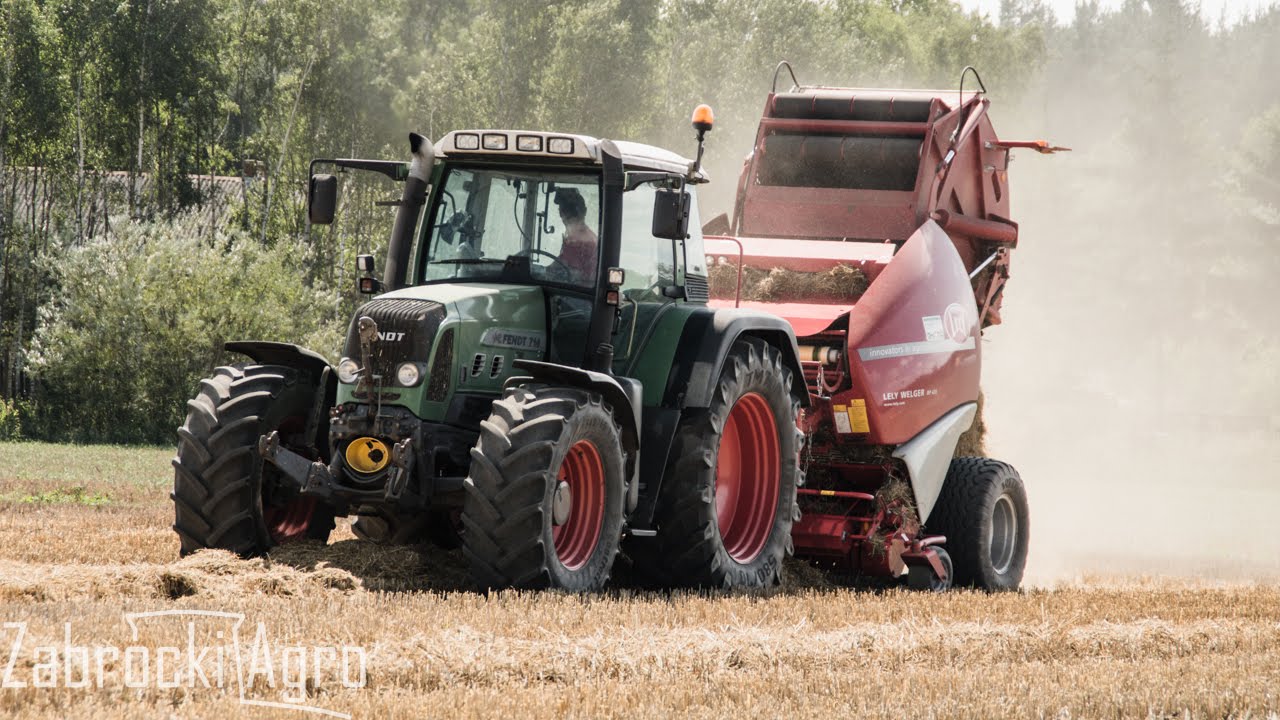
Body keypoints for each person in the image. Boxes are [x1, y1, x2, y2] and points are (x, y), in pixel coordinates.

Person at [553, 188, 597, 283]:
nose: (562, 215)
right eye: (562, 210)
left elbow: (566, 272)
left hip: (576, 293)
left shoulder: (580, 241)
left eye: (566, 211)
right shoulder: (575, 238)